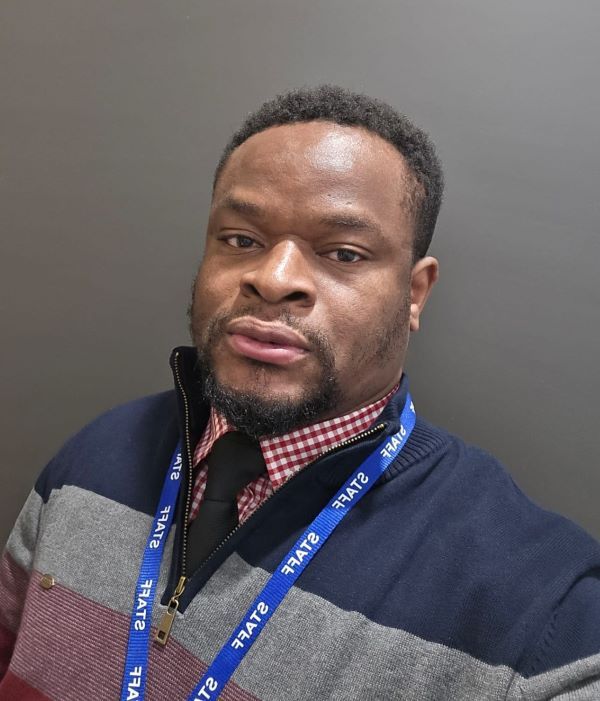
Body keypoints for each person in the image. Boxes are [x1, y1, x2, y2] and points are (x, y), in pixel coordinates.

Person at [1, 85, 599, 701]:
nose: (274, 278)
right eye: (241, 240)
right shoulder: (94, 458)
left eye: (343, 252)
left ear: (414, 294)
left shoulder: (539, 613)